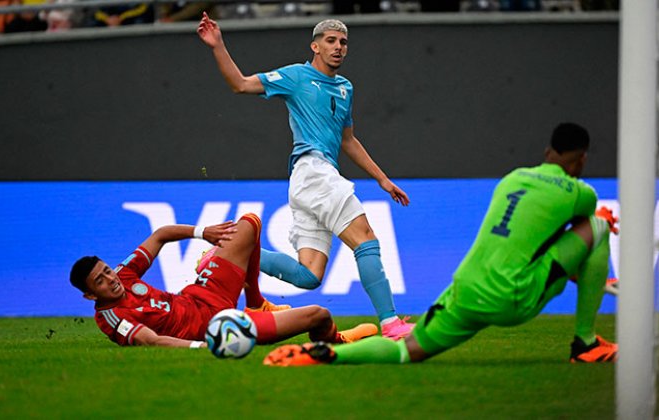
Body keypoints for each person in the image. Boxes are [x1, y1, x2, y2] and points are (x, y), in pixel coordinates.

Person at [262, 123, 620, 366]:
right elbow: (565, 242)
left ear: (547, 151)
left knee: (406, 351)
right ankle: (585, 344)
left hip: (465, 289)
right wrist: (595, 274)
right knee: (599, 225)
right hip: (515, 295)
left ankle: (324, 355)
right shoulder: (580, 192)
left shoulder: (513, 179)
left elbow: (528, 242)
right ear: (582, 158)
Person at [196, 15, 414, 339]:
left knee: (309, 275)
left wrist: (382, 179)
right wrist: (218, 46)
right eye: (330, 41)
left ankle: (225, 252)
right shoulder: (297, 76)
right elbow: (239, 84)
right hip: (313, 172)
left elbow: (347, 139)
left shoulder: (345, 88)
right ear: (315, 46)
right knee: (365, 238)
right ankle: (391, 324)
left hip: (312, 180)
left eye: (343, 43)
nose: (338, 48)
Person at [69, 213, 378, 349]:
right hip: (220, 327)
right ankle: (337, 343)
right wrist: (202, 346)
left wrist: (204, 233)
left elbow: (161, 234)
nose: (111, 279)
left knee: (248, 224)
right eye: (100, 281)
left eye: (107, 270)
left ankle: (257, 302)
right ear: (89, 296)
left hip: (202, 294)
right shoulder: (110, 317)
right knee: (318, 315)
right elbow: (149, 340)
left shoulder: (124, 274)